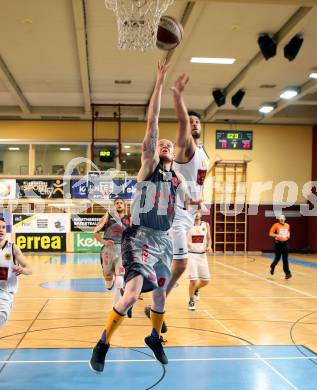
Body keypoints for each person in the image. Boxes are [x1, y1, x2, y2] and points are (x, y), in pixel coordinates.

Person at [89, 60, 184, 372]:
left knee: (159, 298)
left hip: (163, 241)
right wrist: (160, 82)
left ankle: (155, 337)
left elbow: (185, 204)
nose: (166, 145)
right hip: (139, 236)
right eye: (163, 144)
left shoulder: (176, 179)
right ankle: (103, 343)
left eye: (170, 145)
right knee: (130, 295)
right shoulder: (148, 165)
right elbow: (153, 121)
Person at [145, 74, 210, 331]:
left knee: (177, 264)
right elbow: (182, 121)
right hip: (177, 213)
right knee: (179, 264)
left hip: (187, 210)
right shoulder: (186, 147)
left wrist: (198, 201)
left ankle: (155, 300)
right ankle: (155, 302)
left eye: (197, 121)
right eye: (191, 121)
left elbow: (198, 179)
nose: (193, 123)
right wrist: (177, 95)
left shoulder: (203, 153)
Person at [93, 198, 130, 307]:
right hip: (108, 250)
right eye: (117, 203)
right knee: (108, 277)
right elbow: (95, 232)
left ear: (124, 205)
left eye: (121, 203)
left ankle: (117, 306)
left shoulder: (129, 218)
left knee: (120, 279)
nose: (119, 205)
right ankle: (109, 282)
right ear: (114, 206)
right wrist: (104, 241)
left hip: (123, 250)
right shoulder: (108, 216)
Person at [0, 217, 32, 327]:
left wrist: (22, 270)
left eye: (3, 227)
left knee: (1, 317)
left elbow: (30, 269)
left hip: (4, 294)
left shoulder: (12, 248)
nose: (1, 230)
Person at [187, 211, 212, 311]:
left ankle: (196, 289)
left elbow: (209, 238)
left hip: (202, 256)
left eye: (198, 212)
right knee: (193, 280)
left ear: (201, 214)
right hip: (191, 254)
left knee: (205, 281)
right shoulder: (187, 225)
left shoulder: (206, 225)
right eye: (195, 212)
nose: (197, 214)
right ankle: (191, 300)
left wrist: (209, 246)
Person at [269, 214, 292, 279]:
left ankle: (288, 273)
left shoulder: (287, 225)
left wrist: (288, 235)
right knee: (277, 258)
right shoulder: (276, 225)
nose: (281, 219)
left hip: (285, 244)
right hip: (278, 244)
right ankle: (272, 266)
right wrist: (277, 235)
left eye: (283, 218)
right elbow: (270, 234)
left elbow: (288, 232)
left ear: (285, 219)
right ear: (279, 219)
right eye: (280, 218)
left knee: (285, 259)